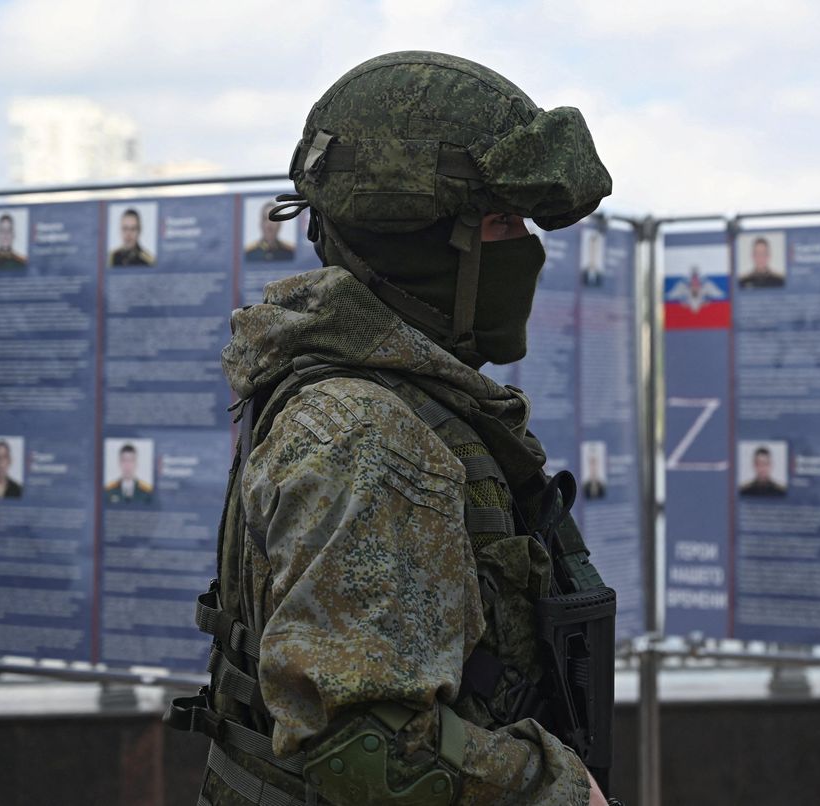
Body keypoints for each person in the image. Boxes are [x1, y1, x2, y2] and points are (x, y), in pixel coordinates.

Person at [170, 52, 616, 806]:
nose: (527, 251)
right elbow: (366, 752)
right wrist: (559, 792)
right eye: (502, 223)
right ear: (420, 240)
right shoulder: (372, 435)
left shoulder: (350, 391)